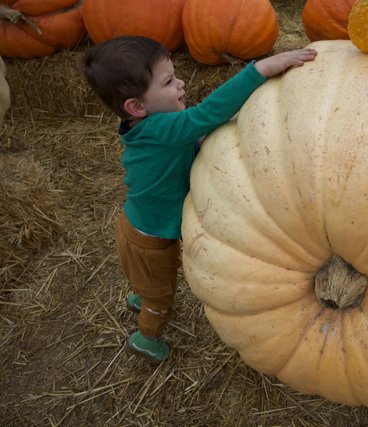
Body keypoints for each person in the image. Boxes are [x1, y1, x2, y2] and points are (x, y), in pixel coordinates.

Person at [83, 35, 317, 363]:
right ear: (136, 106)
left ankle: (142, 293)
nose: (180, 84)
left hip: (136, 225)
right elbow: (206, 114)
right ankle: (146, 336)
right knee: (162, 295)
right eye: (168, 82)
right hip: (150, 241)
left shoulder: (145, 127)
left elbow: (189, 143)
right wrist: (259, 71)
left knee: (145, 279)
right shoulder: (162, 128)